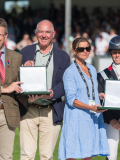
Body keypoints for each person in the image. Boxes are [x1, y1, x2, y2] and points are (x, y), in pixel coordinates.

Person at [20, 20, 70, 160]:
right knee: (26, 155)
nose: (44, 35)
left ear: (53, 34)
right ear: (35, 33)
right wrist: (23, 69)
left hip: (51, 110)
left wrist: (53, 93)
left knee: (46, 156)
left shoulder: (63, 56)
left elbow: (65, 83)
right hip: (29, 109)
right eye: (40, 31)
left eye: (48, 32)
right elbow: (16, 79)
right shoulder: (25, 52)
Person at [58, 37, 110, 160]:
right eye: (81, 49)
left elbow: (86, 91)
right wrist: (90, 107)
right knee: (72, 154)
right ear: (74, 51)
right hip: (76, 118)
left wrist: (98, 95)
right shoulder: (69, 72)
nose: (85, 51)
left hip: (91, 117)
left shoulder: (92, 69)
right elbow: (71, 99)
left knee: (88, 154)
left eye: (88, 48)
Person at [0, 18, 27, 159]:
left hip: (8, 113)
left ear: (6, 36)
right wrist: (4, 89)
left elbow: (21, 85)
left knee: (6, 157)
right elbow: (9, 88)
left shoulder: (17, 57)